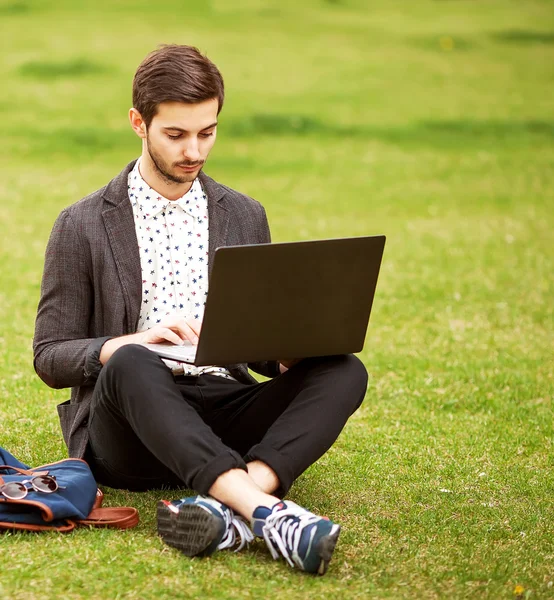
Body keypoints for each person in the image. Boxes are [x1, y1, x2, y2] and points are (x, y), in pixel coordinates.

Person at [33, 44, 368, 576]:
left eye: (207, 132)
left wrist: (287, 354)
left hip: (223, 409)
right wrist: (133, 342)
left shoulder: (244, 215)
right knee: (131, 363)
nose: (194, 150)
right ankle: (268, 511)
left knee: (345, 368)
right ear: (138, 123)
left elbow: (257, 353)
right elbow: (50, 357)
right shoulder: (81, 225)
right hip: (131, 424)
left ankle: (229, 506)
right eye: (176, 134)